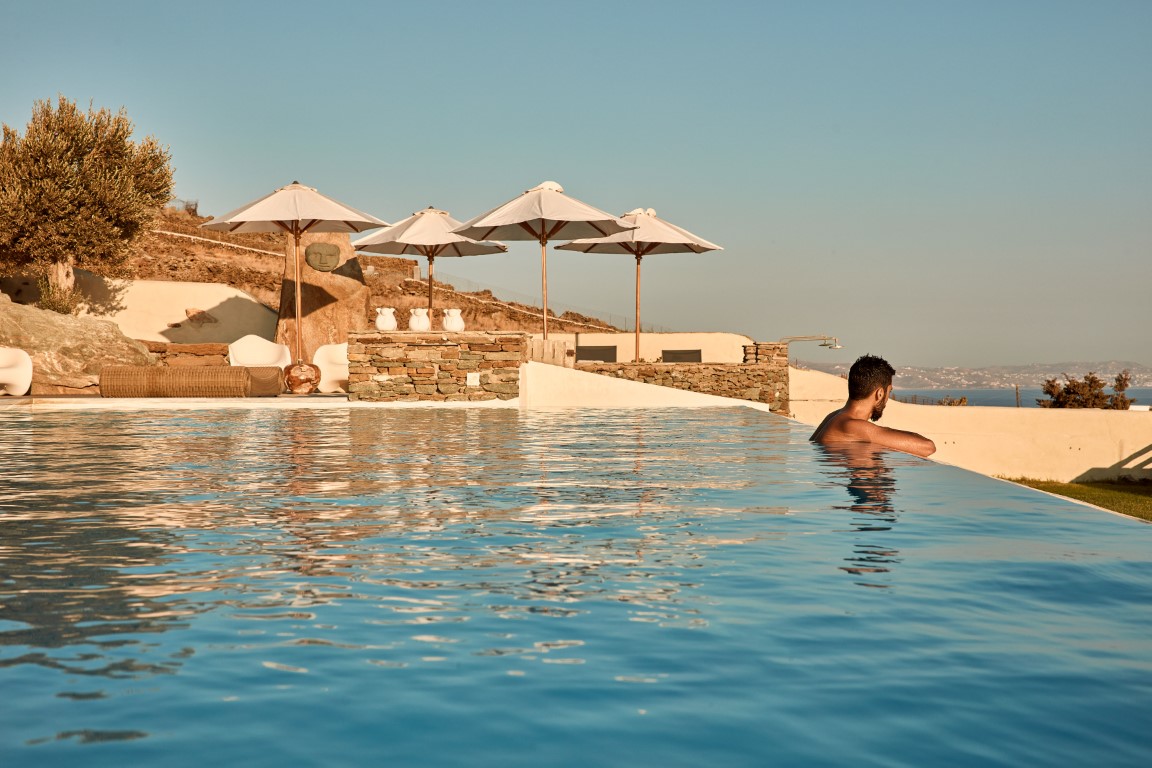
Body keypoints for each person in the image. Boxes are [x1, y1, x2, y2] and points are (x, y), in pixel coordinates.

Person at [810, 354, 936, 457]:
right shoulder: (852, 426)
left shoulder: (834, 417)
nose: (887, 398)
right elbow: (927, 447)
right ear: (880, 394)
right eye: (889, 391)